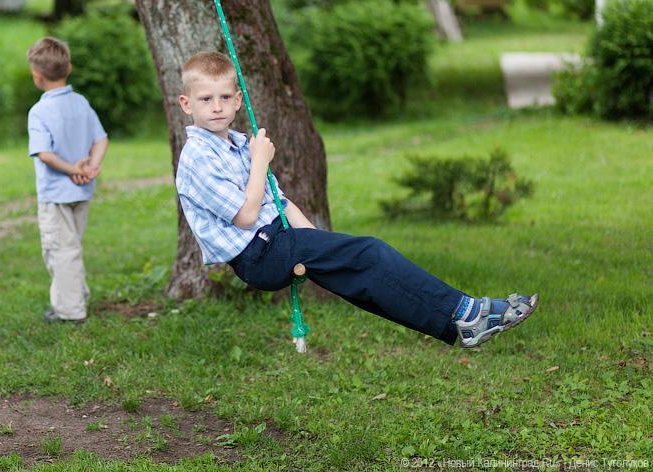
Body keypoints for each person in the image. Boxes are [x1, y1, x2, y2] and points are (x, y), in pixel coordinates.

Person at [175, 52, 538, 348]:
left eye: (225, 97)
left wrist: (319, 242)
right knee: (370, 254)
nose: (217, 107)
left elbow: (282, 205)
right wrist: (260, 163)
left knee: (364, 278)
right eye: (206, 99)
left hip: (279, 240)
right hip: (257, 254)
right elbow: (245, 215)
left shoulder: (240, 144)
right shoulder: (198, 156)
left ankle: (457, 323)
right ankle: (467, 311)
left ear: (238, 100)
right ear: (186, 104)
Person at [27, 36, 109, 324]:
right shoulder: (81, 102)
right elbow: (101, 139)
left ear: (37, 76)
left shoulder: (39, 111)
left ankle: (70, 311)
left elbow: (45, 155)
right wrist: (90, 168)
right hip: (82, 190)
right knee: (70, 247)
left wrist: (72, 169)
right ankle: (73, 296)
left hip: (55, 193)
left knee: (61, 251)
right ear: (69, 67)